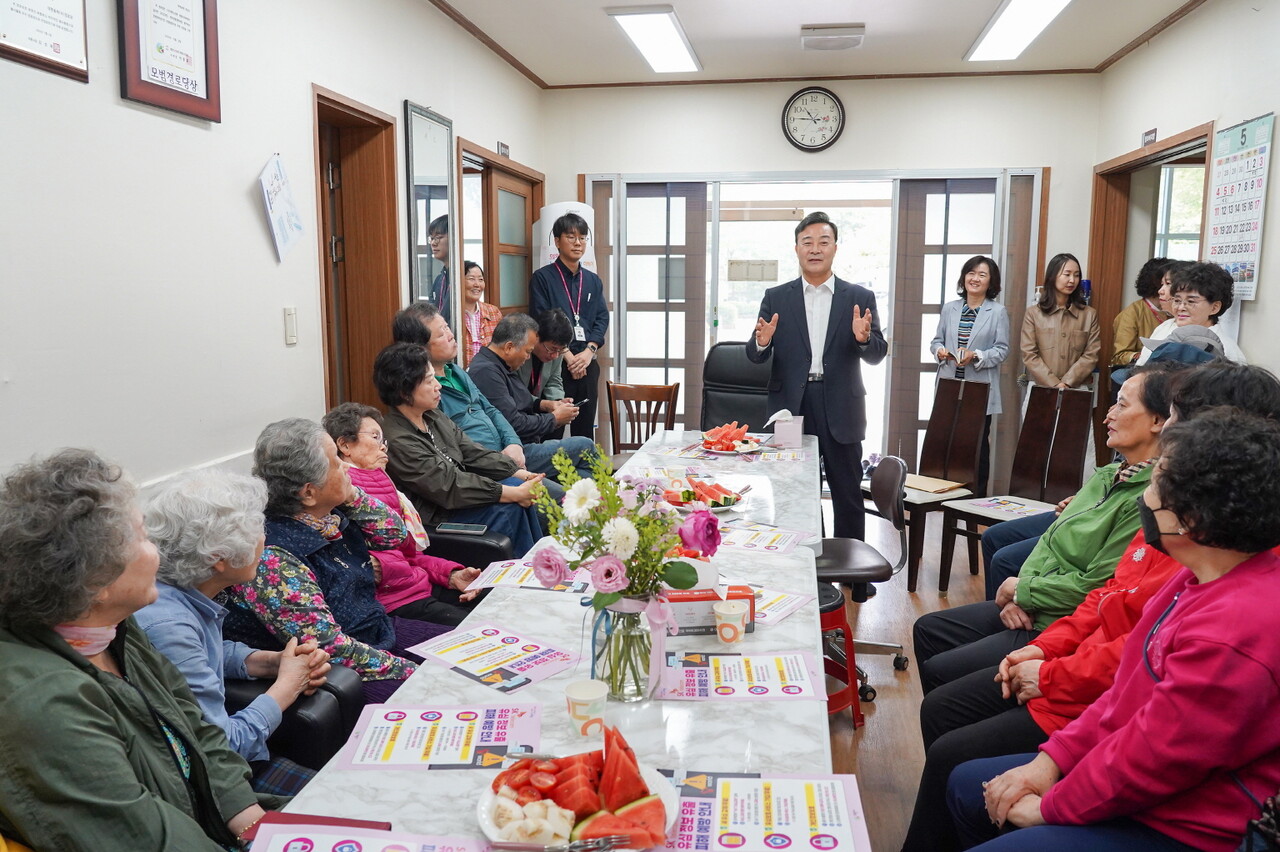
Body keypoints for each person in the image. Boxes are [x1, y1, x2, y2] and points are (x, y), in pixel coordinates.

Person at [899, 362, 1280, 852]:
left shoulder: (1234, 617)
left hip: (1182, 819)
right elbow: (1126, 684)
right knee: (966, 774)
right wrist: (1051, 755)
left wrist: (1051, 800)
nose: (1148, 489)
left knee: (966, 771)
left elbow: (1158, 751)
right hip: (1104, 725)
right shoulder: (1194, 570)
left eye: (1162, 476)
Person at [0, 449, 275, 849]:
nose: (157, 553)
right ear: (96, 582)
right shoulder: (43, 705)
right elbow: (143, 839)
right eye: (143, 537)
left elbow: (195, 726)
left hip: (213, 821)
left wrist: (252, 824)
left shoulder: (115, 625)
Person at [912, 363, 1179, 693]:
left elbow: (1096, 585)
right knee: (928, 628)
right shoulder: (1110, 474)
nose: (1108, 415)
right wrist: (1018, 592)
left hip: (1057, 621)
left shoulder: (1147, 499)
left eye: (1122, 404)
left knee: (943, 683)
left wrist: (1023, 591)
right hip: (1036, 602)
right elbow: (1049, 543)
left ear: (1157, 421)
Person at [222, 418, 445, 705]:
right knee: (445, 692)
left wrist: (350, 493)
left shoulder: (330, 514)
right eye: (337, 463)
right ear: (308, 492)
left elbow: (394, 535)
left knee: (473, 659)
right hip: (347, 670)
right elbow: (330, 648)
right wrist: (416, 673)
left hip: (379, 629)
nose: (347, 467)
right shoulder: (274, 558)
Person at [137, 470, 332, 796]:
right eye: (254, 528)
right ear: (217, 559)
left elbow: (207, 652)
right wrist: (288, 685)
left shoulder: (177, 591)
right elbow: (224, 747)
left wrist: (271, 662)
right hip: (216, 787)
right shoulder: (170, 627)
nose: (263, 537)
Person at [745, 211, 888, 540]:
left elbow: (878, 354)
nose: (815, 249)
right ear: (796, 248)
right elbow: (754, 355)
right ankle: (808, 568)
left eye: (823, 242)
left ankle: (854, 579)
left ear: (835, 248)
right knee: (792, 494)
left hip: (841, 404)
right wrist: (761, 342)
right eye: (807, 242)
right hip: (789, 409)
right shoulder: (776, 297)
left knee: (848, 494)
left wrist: (864, 339)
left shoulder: (858, 297)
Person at [394, 301, 588, 497]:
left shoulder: (457, 372)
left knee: (581, 481)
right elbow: (460, 452)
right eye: (441, 333)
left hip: (508, 454)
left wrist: (513, 443)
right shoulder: (426, 393)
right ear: (419, 347)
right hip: (488, 468)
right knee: (568, 497)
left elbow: (492, 411)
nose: (451, 334)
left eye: (447, 327)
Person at [322, 402, 483, 627]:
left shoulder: (384, 483)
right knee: (481, 627)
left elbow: (406, 555)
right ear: (345, 445)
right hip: (391, 602)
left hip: (414, 585)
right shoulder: (340, 495)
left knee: (495, 602)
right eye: (375, 437)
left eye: (383, 440)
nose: (383, 447)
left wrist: (450, 575)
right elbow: (368, 567)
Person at [375, 342, 545, 555]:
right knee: (509, 507)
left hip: (459, 501)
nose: (438, 385)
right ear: (403, 389)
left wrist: (522, 474)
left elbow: (471, 452)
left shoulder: (432, 416)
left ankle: (535, 567)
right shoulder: (396, 439)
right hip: (440, 517)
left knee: (519, 488)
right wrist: (511, 493)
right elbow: (449, 485)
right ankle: (518, 577)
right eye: (429, 380)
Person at [930, 255, 1011, 497]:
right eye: (971, 273)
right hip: (949, 386)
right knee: (948, 443)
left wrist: (977, 355)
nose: (975, 278)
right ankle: (946, 494)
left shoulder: (997, 311)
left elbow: (1002, 349)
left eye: (982, 274)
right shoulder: (950, 308)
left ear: (991, 281)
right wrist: (940, 351)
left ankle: (975, 497)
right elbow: (936, 340)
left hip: (979, 389)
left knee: (976, 448)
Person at [528, 212, 608, 440]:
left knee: (584, 430)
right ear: (557, 241)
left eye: (582, 238)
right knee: (553, 429)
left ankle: (584, 476)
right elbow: (539, 319)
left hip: (587, 363)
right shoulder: (542, 278)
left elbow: (601, 318)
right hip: (556, 365)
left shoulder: (593, 280)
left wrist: (588, 351)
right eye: (571, 237)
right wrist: (569, 357)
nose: (578, 243)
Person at [469, 313, 585, 452]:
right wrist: (553, 418)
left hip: (524, 441)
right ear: (509, 347)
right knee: (584, 446)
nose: (528, 357)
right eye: (527, 351)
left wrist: (548, 405)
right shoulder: (487, 372)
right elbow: (514, 423)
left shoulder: (501, 365)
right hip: (512, 451)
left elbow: (522, 400)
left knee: (580, 461)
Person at [1136, 261, 1246, 365]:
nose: (1181, 307)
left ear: (1215, 307)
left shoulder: (1225, 349)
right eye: (1177, 300)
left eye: (1191, 301)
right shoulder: (1165, 327)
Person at [1020, 253, 1101, 391]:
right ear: (1052, 276)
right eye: (1067, 274)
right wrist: (1054, 383)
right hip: (1041, 387)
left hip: (1077, 388)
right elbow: (1029, 354)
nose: (1072, 280)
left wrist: (1067, 383)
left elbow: (1091, 354)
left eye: (1076, 275)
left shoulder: (1089, 314)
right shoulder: (1033, 313)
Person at [1110, 257, 1171, 394]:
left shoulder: (1174, 311)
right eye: (1166, 282)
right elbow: (1120, 355)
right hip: (1140, 381)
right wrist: (1145, 355)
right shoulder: (1132, 314)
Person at [517, 308, 574, 414]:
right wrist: (544, 404)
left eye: (560, 350)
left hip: (538, 407)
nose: (555, 356)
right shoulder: (518, 350)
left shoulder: (557, 351)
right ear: (537, 336)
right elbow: (514, 391)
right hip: (516, 409)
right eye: (552, 349)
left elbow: (554, 380)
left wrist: (558, 401)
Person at [460, 261, 502, 367]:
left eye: (480, 279)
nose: (477, 284)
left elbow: (503, 346)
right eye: (471, 279)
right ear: (459, 281)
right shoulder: (453, 314)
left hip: (489, 374)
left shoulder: (493, 312)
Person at [427, 214, 451, 325]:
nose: (433, 243)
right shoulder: (439, 280)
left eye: (438, 237)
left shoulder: (464, 276)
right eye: (431, 238)